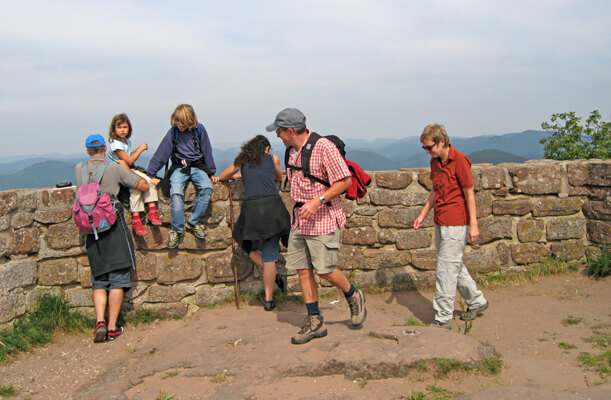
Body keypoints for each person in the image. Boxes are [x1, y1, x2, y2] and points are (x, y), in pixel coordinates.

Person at [265, 108, 366, 344]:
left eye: (279, 130)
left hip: (323, 217)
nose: (277, 135)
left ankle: (353, 294)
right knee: (302, 269)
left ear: (290, 130)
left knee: (325, 270)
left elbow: (345, 181)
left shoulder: (324, 148)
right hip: (300, 218)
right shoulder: (291, 150)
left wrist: (318, 200)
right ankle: (315, 320)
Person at [413, 123, 489, 329]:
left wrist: (474, 225)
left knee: (445, 270)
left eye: (429, 147)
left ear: (442, 142)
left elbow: (469, 193)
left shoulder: (460, 161)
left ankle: (443, 317)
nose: (427, 152)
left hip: (457, 221)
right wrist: (422, 214)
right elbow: (435, 191)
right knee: (453, 264)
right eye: (425, 148)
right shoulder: (435, 163)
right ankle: (476, 301)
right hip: (441, 219)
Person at [75, 134, 149, 342]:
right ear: (104, 148)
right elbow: (142, 185)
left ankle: (99, 321)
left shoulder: (79, 170)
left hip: (90, 229)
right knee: (117, 278)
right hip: (112, 226)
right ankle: (112, 326)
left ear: (88, 150)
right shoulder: (114, 168)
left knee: (99, 279)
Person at [212, 135, 290, 311]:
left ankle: (272, 274)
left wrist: (242, 174)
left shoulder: (243, 160)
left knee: (243, 240)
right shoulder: (274, 159)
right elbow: (279, 176)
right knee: (270, 255)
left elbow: (224, 176)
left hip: (252, 208)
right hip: (273, 207)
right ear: (266, 148)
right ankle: (269, 300)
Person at [146, 104, 216, 248]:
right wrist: (151, 173)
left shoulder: (199, 130)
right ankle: (177, 229)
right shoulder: (173, 132)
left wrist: (211, 172)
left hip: (197, 166)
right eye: (177, 124)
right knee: (176, 192)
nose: (179, 127)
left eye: (182, 124)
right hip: (179, 167)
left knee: (207, 188)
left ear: (189, 121)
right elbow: (162, 153)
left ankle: (193, 222)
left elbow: (207, 150)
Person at [105, 113, 161, 236]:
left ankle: (152, 211)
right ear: (114, 129)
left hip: (127, 169)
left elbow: (129, 158)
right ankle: (136, 218)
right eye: (119, 127)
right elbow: (129, 161)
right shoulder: (116, 145)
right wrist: (140, 149)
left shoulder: (125, 142)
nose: (122, 130)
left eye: (125, 127)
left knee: (149, 181)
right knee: (135, 188)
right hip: (119, 171)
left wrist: (136, 151)